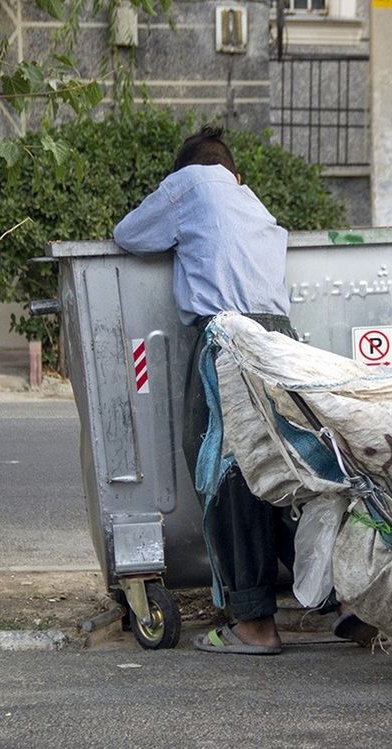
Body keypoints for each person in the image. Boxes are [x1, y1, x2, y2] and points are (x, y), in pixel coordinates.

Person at [114, 125, 297, 655]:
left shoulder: (192, 183)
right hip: (281, 340)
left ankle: (254, 623)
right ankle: (345, 601)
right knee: (288, 472)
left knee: (227, 474)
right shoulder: (252, 201)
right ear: (237, 172)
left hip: (229, 341)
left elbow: (130, 233)